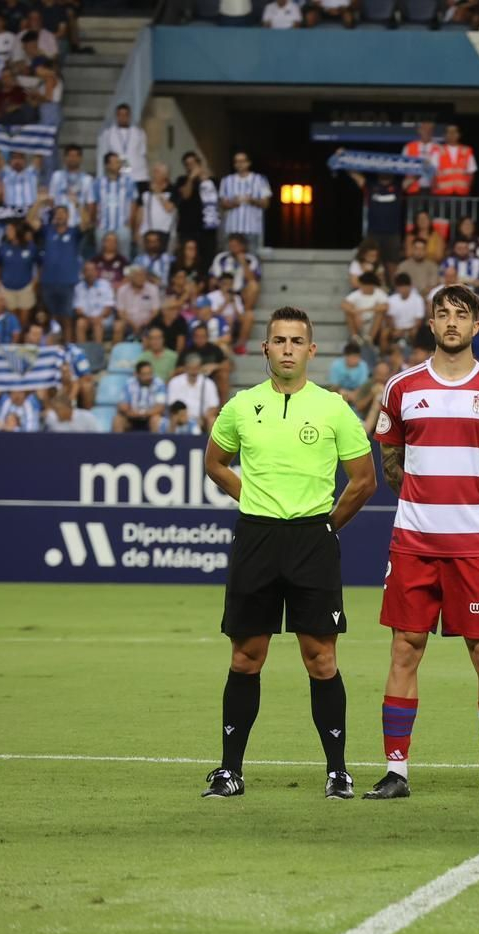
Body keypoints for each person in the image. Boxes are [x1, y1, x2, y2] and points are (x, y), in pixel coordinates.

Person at [200, 307, 377, 800]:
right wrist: (253, 500)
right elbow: (215, 463)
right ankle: (229, 771)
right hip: (257, 539)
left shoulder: (333, 408)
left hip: (311, 541)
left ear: (311, 351)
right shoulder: (241, 406)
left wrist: (325, 526)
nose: (287, 349)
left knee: (320, 658)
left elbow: (364, 481)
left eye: (297, 341)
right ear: (265, 348)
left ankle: (338, 771)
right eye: (279, 340)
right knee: (245, 657)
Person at [365, 286, 479, 801]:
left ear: (477, 327)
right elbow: (391, 459)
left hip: (475, 548)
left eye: (462, 315)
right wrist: (422, 503)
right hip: (413, 544)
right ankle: (397, 771)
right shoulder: (401, 388)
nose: (452, 322)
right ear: (431, 325)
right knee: (405, 648)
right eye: (443, 314)